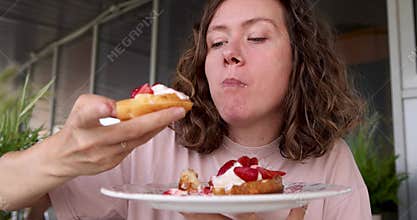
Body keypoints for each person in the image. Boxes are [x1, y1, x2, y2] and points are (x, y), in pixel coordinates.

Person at [0, 0, 372, 219]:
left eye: (256, 37)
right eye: (217, 41)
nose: (230, 53)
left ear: (300, 61)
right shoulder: (149, 142)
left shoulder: (330, 163)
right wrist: (62, 155)